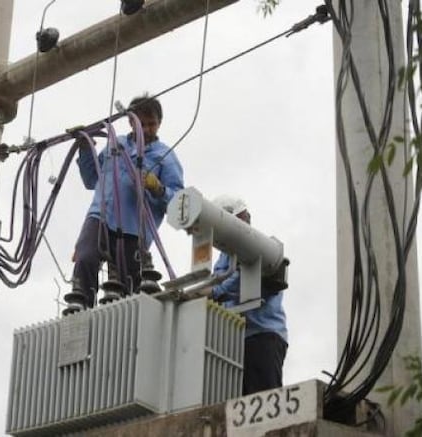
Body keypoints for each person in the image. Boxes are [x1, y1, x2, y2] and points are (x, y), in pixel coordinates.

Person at [67, 95, 184, 310]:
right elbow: (91, 179)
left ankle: (123, 332)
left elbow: (179, 202)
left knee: (127, 286)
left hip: (134, 230)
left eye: (152, 124)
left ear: (160, 123)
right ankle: (80, 311)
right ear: (131, 122)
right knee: (85, 259)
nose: (147, 130)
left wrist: (158, 188)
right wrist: (85, 149)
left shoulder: (165, 156)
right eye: (142, 124)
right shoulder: (116, 144)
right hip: (100, 216)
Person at [209, 195, 288, 396]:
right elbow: (218, 283)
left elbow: (240, 278)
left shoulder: (261, 248)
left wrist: (214, 292)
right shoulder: (224, 257)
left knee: (263, 402)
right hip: (233, 340)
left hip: (263, 336)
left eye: (243, 218)